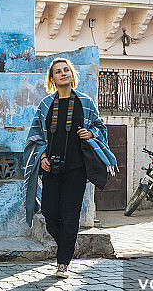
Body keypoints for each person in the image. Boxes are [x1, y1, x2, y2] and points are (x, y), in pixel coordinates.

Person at [23, 58, 117, 278]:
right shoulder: (46, 104)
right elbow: (35, 135)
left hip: (76, 168)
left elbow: (100, 128)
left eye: (66, 70)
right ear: (52, 78)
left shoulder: (85, 102)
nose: (63, 74)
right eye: (58, 72)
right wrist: (43, 156)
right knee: (49, 211)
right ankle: (67, 243)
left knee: (70, 214)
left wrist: (91, 133)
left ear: (72, 75)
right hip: (51, 168)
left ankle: (63, 262)